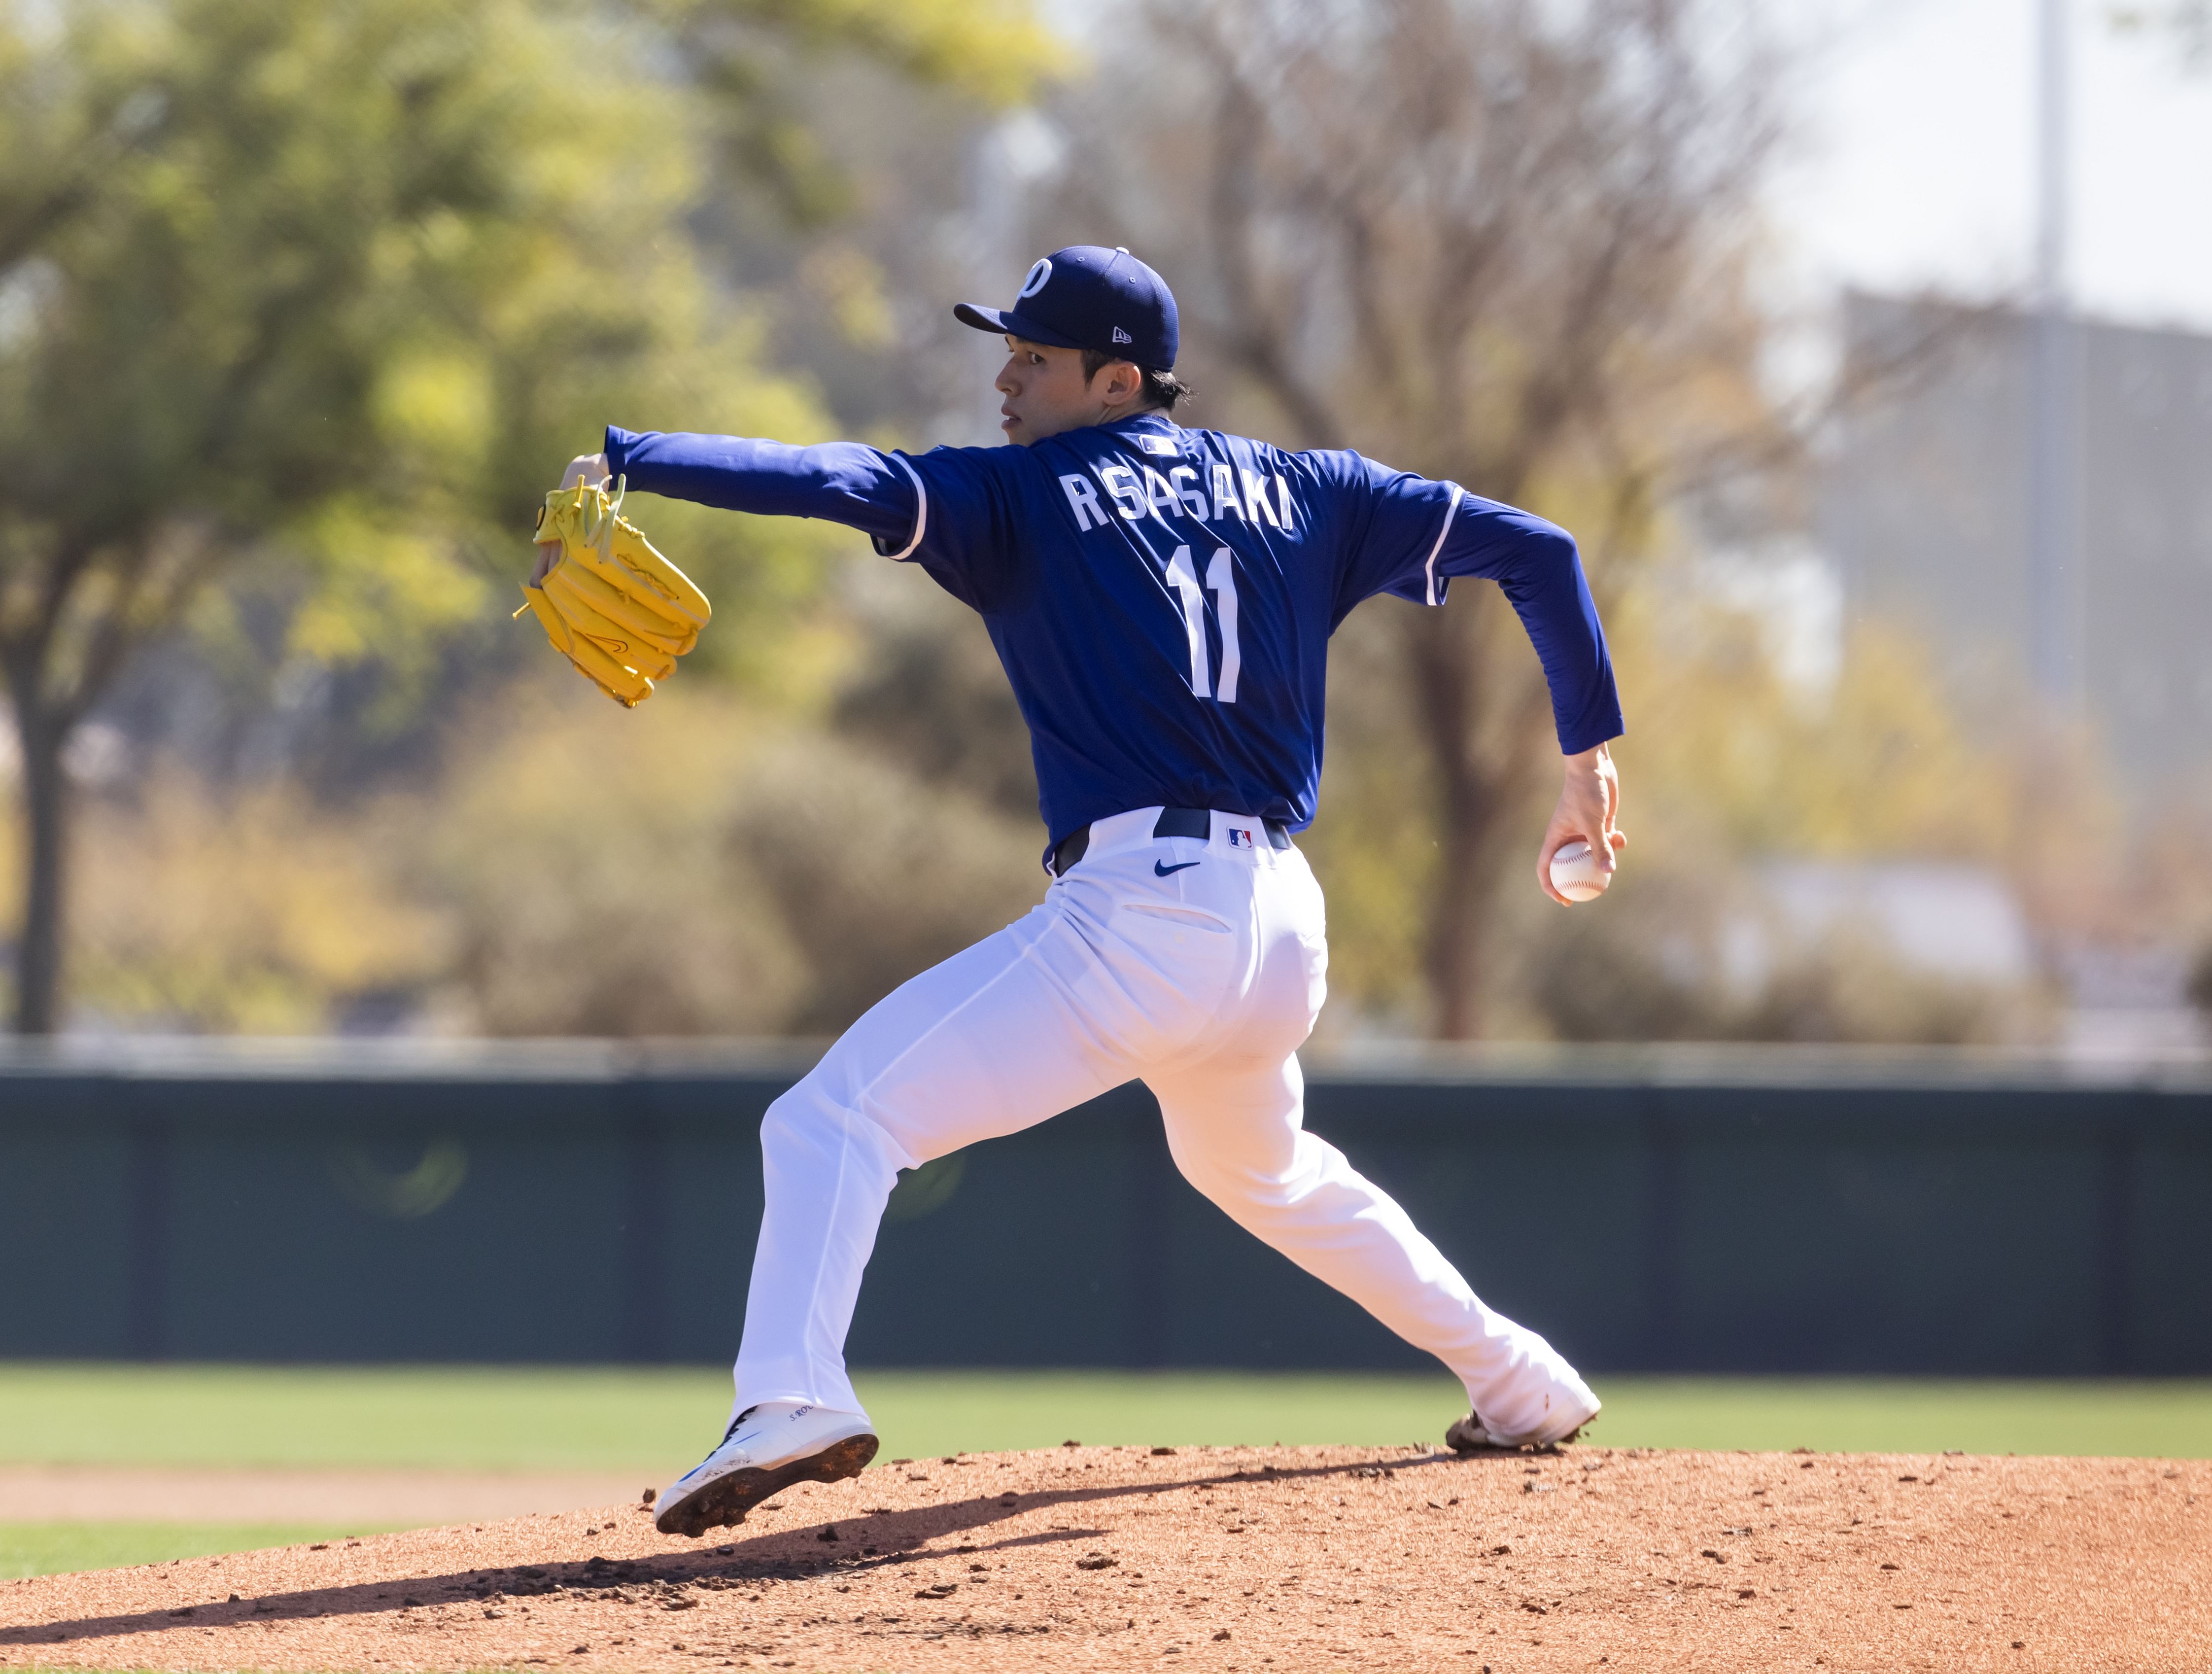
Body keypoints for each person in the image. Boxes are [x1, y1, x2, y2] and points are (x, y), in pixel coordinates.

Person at [534, 245, 1627, 1538]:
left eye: (1033, 357)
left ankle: (791, 1392)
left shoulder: (1023, 497)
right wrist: (1587, 758)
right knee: (1260, 1169)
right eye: (1008, 350)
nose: (1005, 376)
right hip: (1278, 924)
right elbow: (1543, 552)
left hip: (1147, 912)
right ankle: (1519, 1377)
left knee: (831, 1119)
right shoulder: (1306, 488)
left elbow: (841, 478)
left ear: (1116, 382)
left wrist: (634, 455)